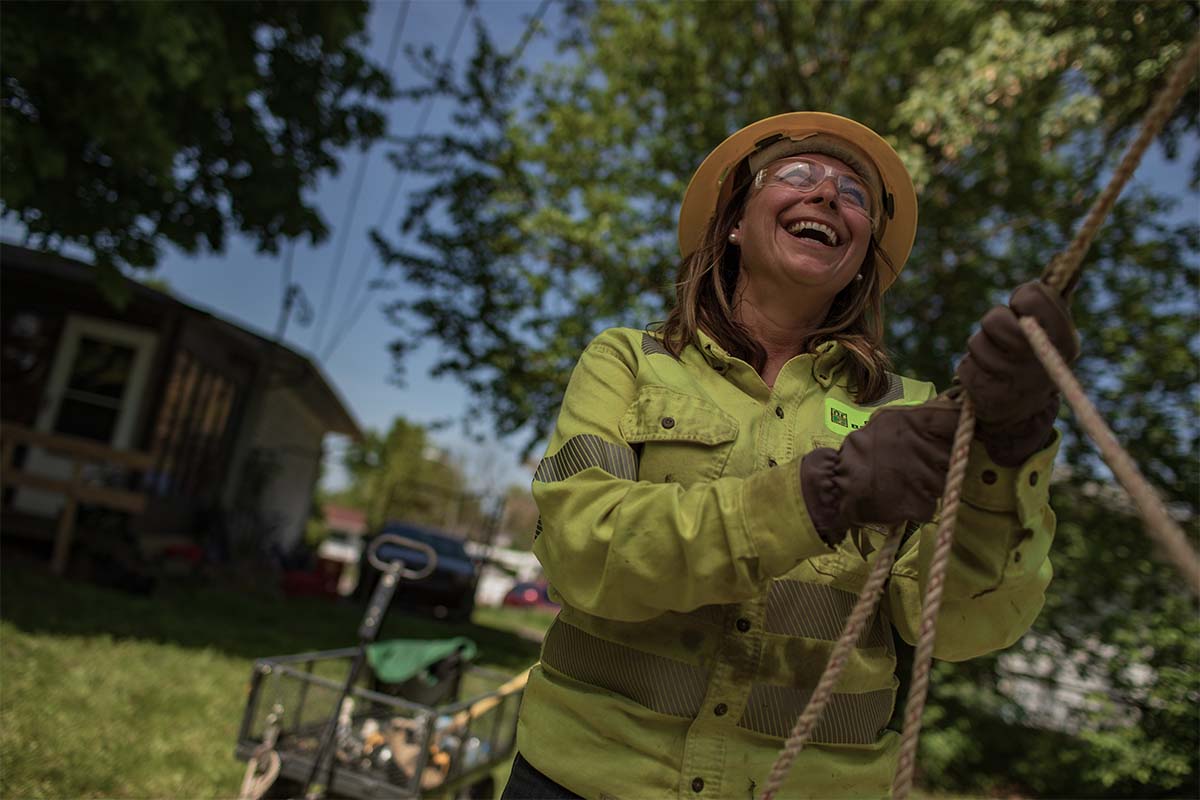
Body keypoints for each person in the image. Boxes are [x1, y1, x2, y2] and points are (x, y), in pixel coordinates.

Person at [502, 112, 1078, 800]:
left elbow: (954, 624)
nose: (830, 195)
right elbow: (579, 548)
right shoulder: (629, 361)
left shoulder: (913, 411)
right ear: (736, 224)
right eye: (799, 176)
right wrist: (821, 497)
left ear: (863, 255)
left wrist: (1005, 456)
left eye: (854, 194)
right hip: (582, 780)